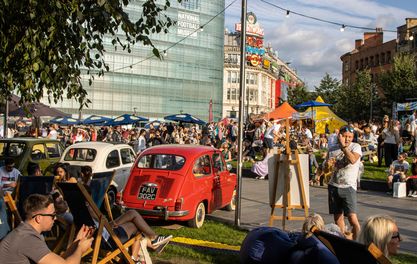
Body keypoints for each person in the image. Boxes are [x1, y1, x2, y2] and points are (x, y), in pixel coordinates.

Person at [0, 194, 93, 263]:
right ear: (39, 218)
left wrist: (76, 243)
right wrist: (80, 249)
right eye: (52, 215)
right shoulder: (28, 239)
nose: (55, 218)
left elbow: (57, 260)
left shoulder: (26, 232)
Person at [327, 125, 362, 240]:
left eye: (350, 137)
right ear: (339, 136)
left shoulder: (355, 147)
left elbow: (352, 160)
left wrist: (343, 147)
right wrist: (326, 166)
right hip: (334, 185)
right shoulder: (332, 148)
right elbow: (326, 167)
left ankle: (358, 242)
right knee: (338, 218)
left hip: (348, 186)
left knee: (352, 218)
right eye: (345, 136)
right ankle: (343, 242)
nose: (347, 139)